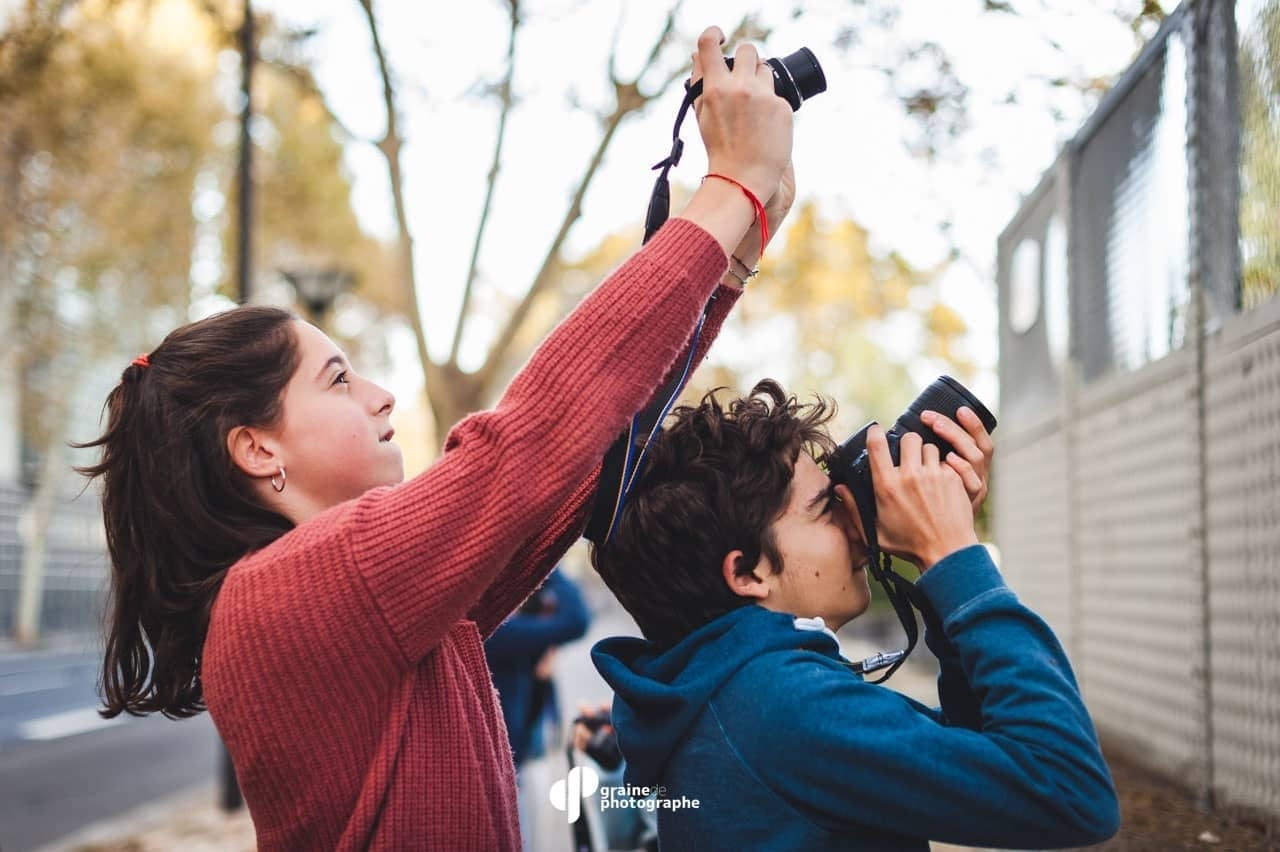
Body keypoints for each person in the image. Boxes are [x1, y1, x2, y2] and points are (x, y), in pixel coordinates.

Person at [76, 27, 795, 851]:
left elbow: (579, 463)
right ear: (257, 448)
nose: (383, 398)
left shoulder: (371, 607)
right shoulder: (292, 589)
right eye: (340, 380)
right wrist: (727, 187)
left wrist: (727, 263)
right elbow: (527, 445)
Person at [589, 380, 1121, 851]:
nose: (854, 522)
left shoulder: (722, 689)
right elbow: (1071, 792)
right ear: (747, 573)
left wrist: (932, 562)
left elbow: (978, 756)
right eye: (826, 508)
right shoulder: (781, 704)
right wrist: (954, 554)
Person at [484, 567, 590, 846]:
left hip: (523, 752)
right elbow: (576, 620)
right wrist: (552, 565)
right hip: (511, 765)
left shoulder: (513, 625)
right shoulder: (497, 631)